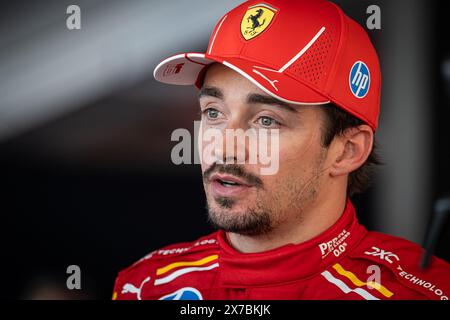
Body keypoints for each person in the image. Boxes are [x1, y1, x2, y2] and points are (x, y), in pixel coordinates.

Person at [113, 0, 450, 300]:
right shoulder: (144, 286)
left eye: (266, 121)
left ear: (347, 150)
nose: (224, 148)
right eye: (214, 112)